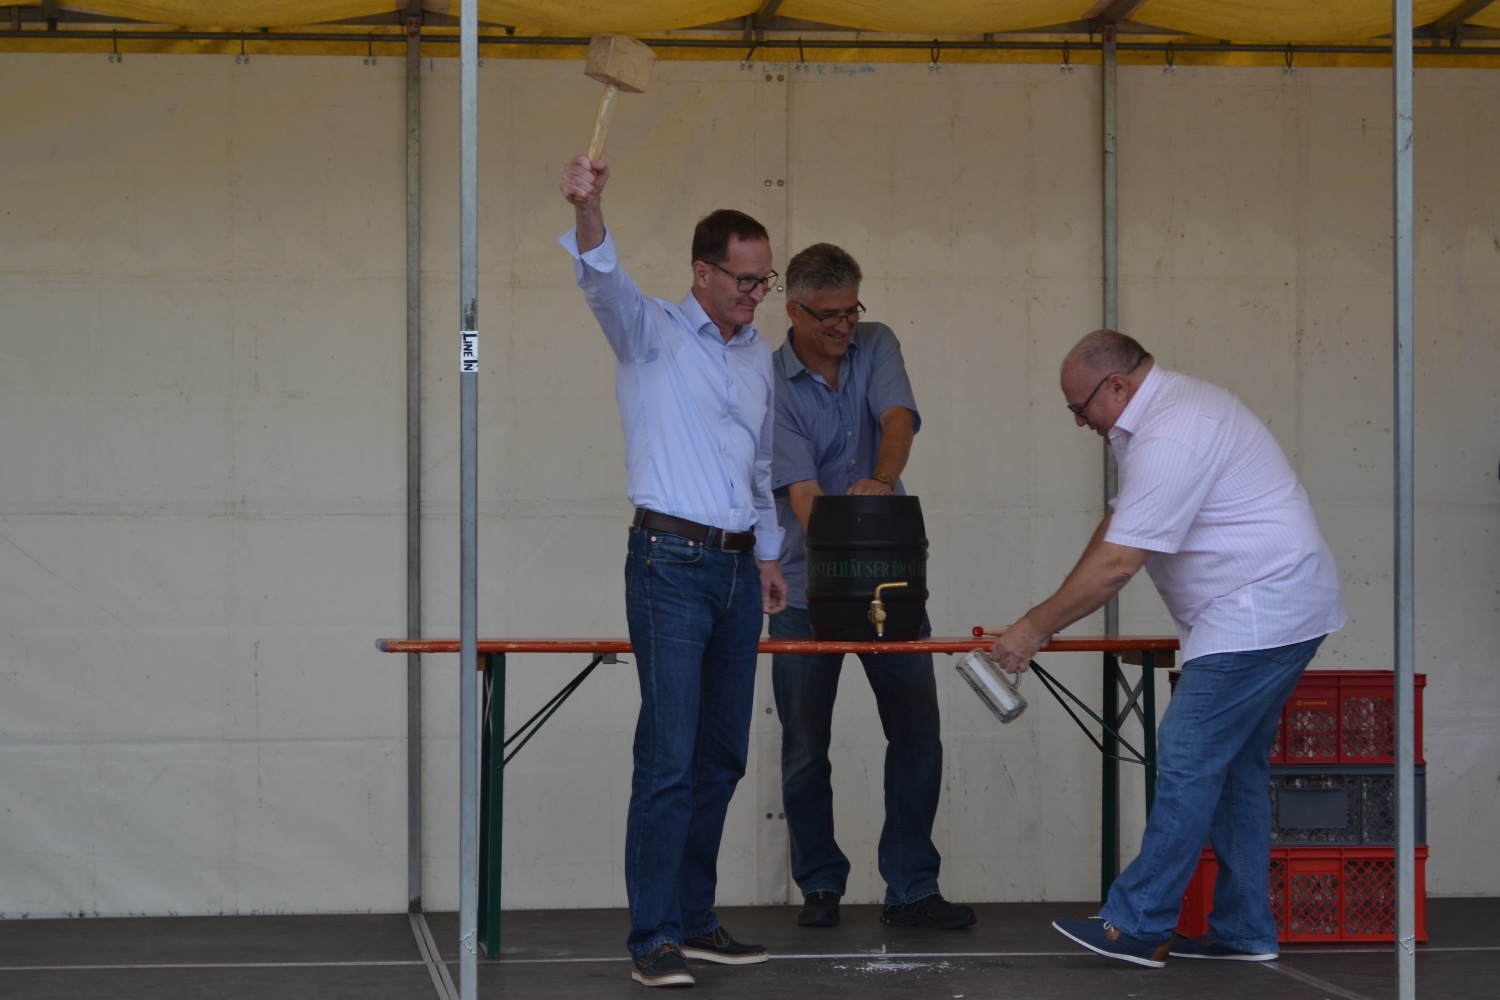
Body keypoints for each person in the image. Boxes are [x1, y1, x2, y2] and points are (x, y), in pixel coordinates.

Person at [990, 329, 1346, 968]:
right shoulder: (1165, 417)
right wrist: (1047, 612)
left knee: (1186, 759)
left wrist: (1034, 627)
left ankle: (1138, 923)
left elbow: (1118, 564)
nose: (1080, 422)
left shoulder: (1174, 431)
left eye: (1080, 408)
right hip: (1270, 610)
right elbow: (1118, 527)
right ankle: (1243, 929)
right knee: (1233, 770)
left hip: (1258, 614)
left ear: (1117, 385)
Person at [558, 153, 789, 988]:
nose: (756, 294)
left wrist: (769, 555)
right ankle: (652, 934)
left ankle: (692, 920)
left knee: (721, 754)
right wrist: (588, 208)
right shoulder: (649, 330)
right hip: (669, 562)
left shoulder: (757, 357)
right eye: (746, 280)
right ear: (703, 272)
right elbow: (601, 279)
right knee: (668, 754)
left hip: (735, 568)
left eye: (764, 281)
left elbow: (760, 466)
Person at [768, 243, 975, 931]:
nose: (842, 325)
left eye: (851, 310)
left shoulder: (877, 342)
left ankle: (912, 886)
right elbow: (803, 497)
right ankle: (820, 885)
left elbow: (897, 420)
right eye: (827, 315)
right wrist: (851, 553)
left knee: (918, 735)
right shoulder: (770, 382)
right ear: (793, 310)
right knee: (805, 747)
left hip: (895, 585)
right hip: (805, 593)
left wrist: (881, 482)